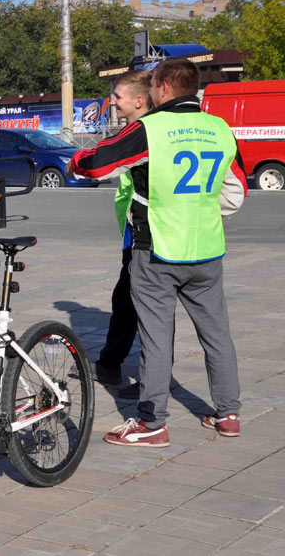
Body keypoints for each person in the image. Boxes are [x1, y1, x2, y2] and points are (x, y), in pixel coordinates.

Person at [68, 59, 248, 448]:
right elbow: (236, 193)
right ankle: (228, 413)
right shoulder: (219, 128)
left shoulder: (150, 129)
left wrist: (76, 159)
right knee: (217, 333)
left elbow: (96, 166)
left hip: (158, 249)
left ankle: (152, 422)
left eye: (152, 86)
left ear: (163, 88)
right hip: (207, 249)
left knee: (155, 336)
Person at [91, 70, 151, 400]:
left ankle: (150, 380)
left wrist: (80, 164)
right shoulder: (133, 130)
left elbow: (100, 164)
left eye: (117, 96)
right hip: (134, 230)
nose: (112, 101)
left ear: (139, 100)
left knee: (151, 310)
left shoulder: (144, 132)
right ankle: (110, 364)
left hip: (151, 233)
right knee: (125, 300)